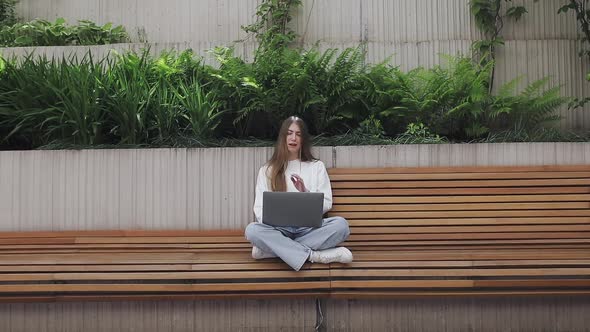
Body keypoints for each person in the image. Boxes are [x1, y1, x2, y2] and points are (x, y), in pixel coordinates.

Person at [244, 116, 353, 271]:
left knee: (341, 225)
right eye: (289, 133)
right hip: (279, 230)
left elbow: (327, 202)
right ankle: (314, 256)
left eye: (298, 134)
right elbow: (259, 209)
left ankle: (274, 251)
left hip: (309, 229)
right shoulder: (267, 170)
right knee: (252, 230)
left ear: (304, 139)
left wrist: (305, 193)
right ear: (283, 137)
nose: (293, 138)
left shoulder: (316, 167)